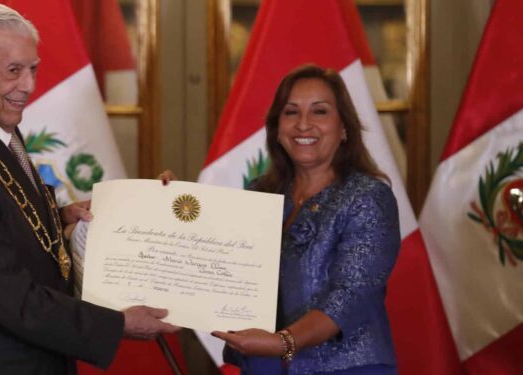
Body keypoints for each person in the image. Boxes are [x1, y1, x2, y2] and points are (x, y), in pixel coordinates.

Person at [0, 4, 177, 374]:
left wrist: (57, 216)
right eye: (13, 71)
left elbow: (1, 218)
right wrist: (118, 324)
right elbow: (11, 298)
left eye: (32, 69)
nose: (29, 86)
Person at [160, 64, 400, 374]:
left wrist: (283, 343)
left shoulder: (368, 197)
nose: (303, 124)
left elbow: (351, 294)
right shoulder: (261, 192)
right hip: (265, 366)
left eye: (320, 111)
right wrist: (170, 207)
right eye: (291, 112)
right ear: (277, 128)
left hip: (345, 368)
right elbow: (216, 259)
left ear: (344, 129)